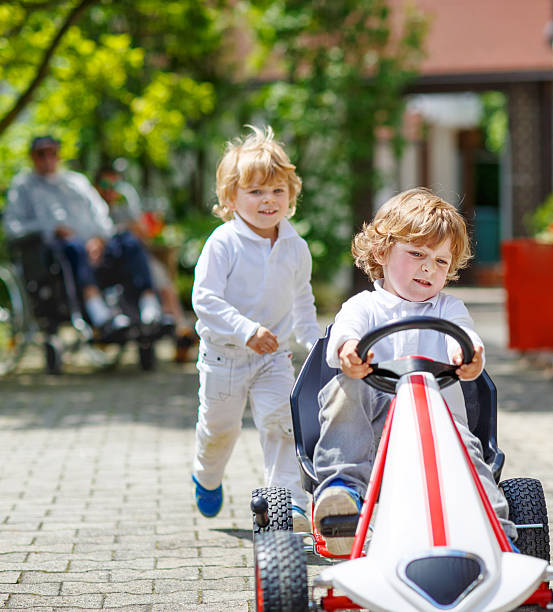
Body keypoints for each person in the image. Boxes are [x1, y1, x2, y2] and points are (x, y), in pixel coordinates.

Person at [312, 187, 517, 554]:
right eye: (417, 254)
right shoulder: (364, 307)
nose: (428, 267)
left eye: (441, 262)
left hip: (441, 429)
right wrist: (350, 352)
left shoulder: (448, 309)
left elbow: (466, 338)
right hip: (371, 432)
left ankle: (499, 539)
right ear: (381, 252)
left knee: (473, 461)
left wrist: (467, 355)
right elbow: (345, 334)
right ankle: (342, 498)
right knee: (346, 386)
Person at [191, 125, 321, 532]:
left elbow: (302, 301)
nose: (268, 200)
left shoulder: (296, 247)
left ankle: (289, 502)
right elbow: (205, 300)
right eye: (256, 192)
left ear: (291, 196)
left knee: (282, 423)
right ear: (231, 198)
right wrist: (245, 329)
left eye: (277, 191)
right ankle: (206, 475)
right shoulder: (223, 243)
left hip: (274, 357)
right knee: (219, 429)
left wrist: (318, 347)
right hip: (224, 357)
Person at [3, 135, 162, 339]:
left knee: (130, 242)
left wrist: (100, 239)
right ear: (32, 157)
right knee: (72, 246)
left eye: (52, 152)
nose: (47, 158)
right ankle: (98, 311)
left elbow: (100, 214)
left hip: (96, 246)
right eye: (41, 154)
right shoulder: (23, 186)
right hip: (57, 253)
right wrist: (51, 229)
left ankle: (149, 307)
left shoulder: (76, 181)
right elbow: (12, 227)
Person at [95, 166, 196, 362]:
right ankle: (179, 328)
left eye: (115, 185)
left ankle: (179, 328)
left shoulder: (124, 206)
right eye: (105, 184)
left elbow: (145, 236)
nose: (110, 189)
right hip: (116, 263)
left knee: (163, 280)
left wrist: (136, 226)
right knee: (156, 276)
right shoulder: (94, 210)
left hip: (138, 258)